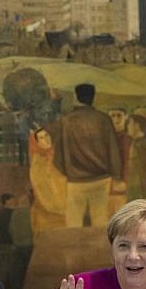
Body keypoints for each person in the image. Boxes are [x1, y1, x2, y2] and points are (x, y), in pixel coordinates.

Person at [50, 83, 122, 228]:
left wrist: (67, 171)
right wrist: (116, 176)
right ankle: (101, 251)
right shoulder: (103, 119)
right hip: (102, 179)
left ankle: (75, 251)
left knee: (73, 224)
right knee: (100, 222)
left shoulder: (66, 121)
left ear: (76, 97)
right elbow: (114, 150)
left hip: (75, 181)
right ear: (93, 98)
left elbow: (58, 153)